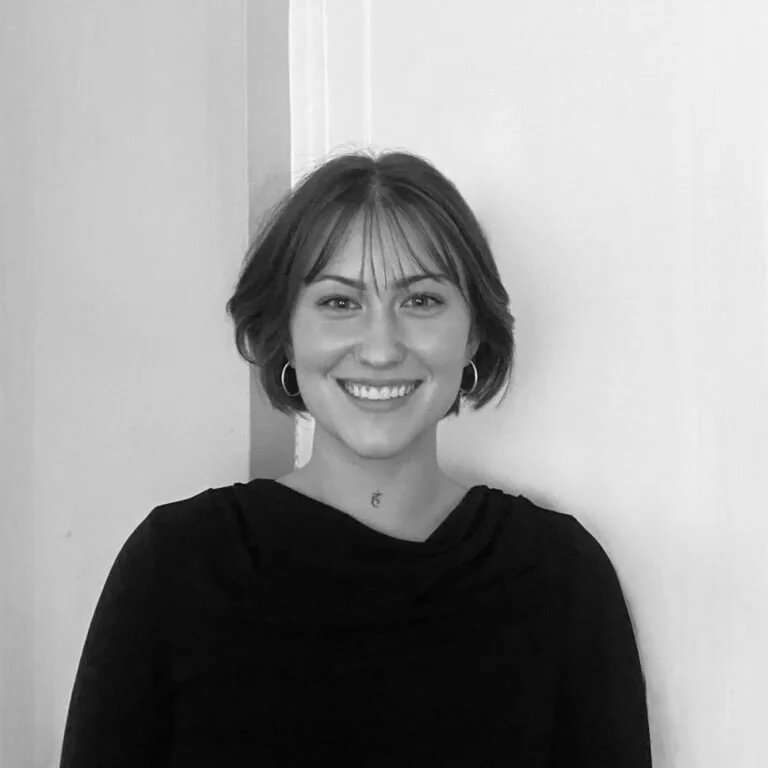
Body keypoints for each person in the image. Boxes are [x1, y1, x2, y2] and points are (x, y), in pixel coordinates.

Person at [59, 149, 652, 766]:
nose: (380, 348)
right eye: (340, 303)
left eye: (421, 301)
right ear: (285, 332)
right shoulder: (176, 564)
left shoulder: (561, 576)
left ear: (473, 330)